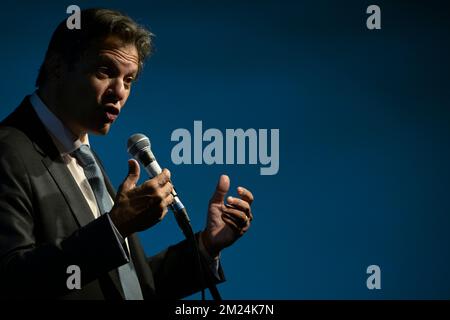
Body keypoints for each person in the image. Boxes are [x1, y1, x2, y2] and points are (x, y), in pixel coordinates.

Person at [0, 8, 253, 300]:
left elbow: (126, 287)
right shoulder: (9, 151)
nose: (119, 91)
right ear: (58, 66)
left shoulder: (84, 156)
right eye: (105, 71)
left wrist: (207, 246)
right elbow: (12, 280)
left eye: (129, 80)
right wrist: (115, 227)